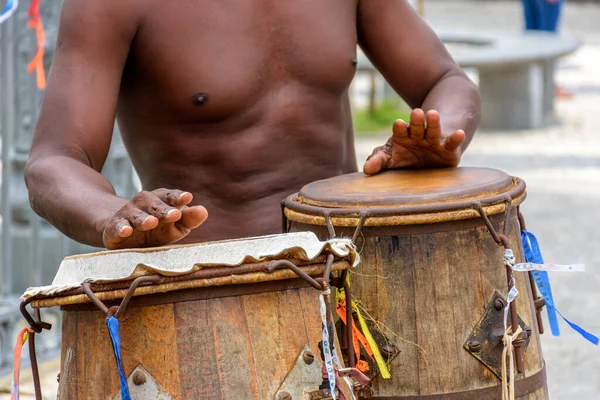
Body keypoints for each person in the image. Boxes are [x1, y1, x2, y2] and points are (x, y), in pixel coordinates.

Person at [24, 0, 481, 250]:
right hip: (208, 287)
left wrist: (440, 137)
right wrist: (114, 216)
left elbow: (447, 80)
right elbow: (54, 161)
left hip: (353, 270)